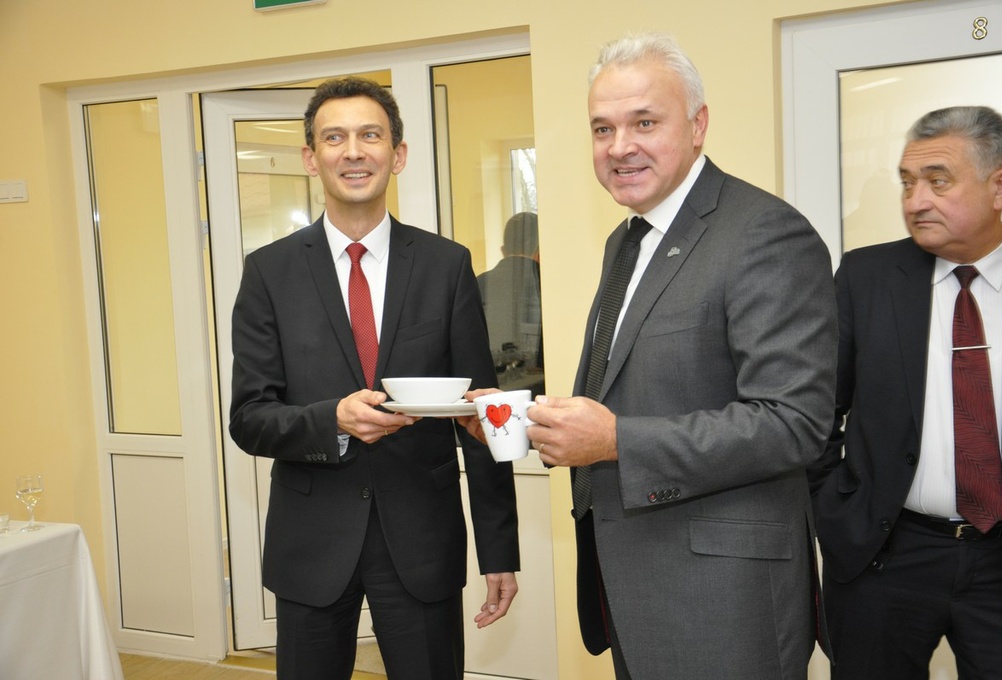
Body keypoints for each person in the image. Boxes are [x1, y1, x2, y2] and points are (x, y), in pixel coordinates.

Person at [523, 32, 838, 679]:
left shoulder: (763, 232)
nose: (619, 146)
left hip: (723, 602)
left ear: (698, 125)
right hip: (631, 584)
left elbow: (793, 423)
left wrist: (617, 441)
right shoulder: (625, 241)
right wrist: (526, 423)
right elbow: (627, 395)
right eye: (602, 128)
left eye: (644, 122)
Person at [228, 77, 520, 680]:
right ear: (311, 157)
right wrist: (331, 420)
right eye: (334, 138)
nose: (353, 151)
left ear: (398, 154)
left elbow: (483, 415)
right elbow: (250, 419)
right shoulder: (268, 273)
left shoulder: (446, 266)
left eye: (370, 135)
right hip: (310, 545)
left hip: (421, 542)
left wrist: (499, 551)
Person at [808, 106, 1002, 678]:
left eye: (937, 181)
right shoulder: (866, 277)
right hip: (886, 556)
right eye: (907, 183)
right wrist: (836, 511)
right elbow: (817, 413)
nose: (915, 201)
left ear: (999, 186)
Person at [476, 211, 544, 394]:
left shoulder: (477, 284)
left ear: (503, 250)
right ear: (540, 252)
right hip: (539, 392)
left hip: (487, 393)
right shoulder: (547, 286)